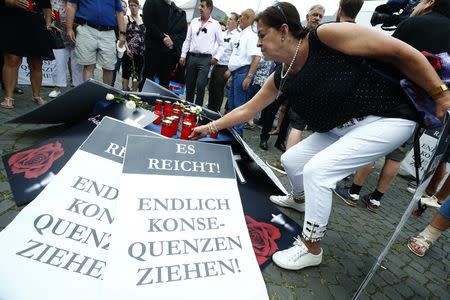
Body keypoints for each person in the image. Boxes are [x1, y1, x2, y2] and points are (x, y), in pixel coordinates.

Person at [190, 2, 450, 271]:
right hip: (340, 127)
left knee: (317, 171)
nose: (258, 44)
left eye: (262, 35)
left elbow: (398, 50)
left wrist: (440, 93)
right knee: (291, 160)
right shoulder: (283, 74)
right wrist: (210, 127)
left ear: (283, 30)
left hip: (387, 117)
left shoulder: (325, 36)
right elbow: (247, 109)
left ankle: (311, 247)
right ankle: (300, 200)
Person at [334, 0, 450, 212]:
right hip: (421, 111)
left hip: (389, 102)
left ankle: (353, 191)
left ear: (430, 3)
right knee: (396, 155)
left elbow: (382, 58)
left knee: (371, 148)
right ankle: (376, 198)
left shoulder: (414, 24)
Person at [264, 4, 325, 172]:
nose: (317, 18)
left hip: (307, 90)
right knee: (275, 107)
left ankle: (285, 153)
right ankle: (265, 137)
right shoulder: (298, 33)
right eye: (315, 14)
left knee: (296, 122)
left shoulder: (324, 36)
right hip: (286, 80)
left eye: (320, 16)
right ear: (307, 16)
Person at [66, 0, 126, 85]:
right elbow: (71, 5)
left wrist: (122, 34)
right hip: (87, 29)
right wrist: (69, 28)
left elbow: (119, 12)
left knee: (109, 67)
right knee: (88, 66)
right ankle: (89, 94)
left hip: (108, 32)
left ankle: (106, 95)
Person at [179, 0, 224, 106]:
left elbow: (222, 44)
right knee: (189, 85)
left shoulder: (216, 25)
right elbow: (187, 40)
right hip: (192, 58)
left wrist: (216, 57)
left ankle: (197, 111)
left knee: (200, 85)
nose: (199, 8)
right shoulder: (194, 21)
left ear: (209, 9)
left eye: (202, 6)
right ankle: (188, 109)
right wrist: (183, 55)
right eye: (199, 5)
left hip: (205, 60)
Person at [225, 8, 261, 136]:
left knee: (239, 107)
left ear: (247, 18)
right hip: (237, 73)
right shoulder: (242, 34)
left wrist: (249, 76)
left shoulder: (251, 36)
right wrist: (231, 72)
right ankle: (231, 134)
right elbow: (238, 56)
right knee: (232, 106)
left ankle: (237, 137)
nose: (239, 19)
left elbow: (256, 57)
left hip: (243, 73)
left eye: (241, 17)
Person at [142, 0, 187, 90]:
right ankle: (142, 102)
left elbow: (183, 33)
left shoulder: (179, 12)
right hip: (153, 50)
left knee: (164, 84)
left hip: (168, 54)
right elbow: (148, 22)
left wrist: (172, 40)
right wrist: (163, 38)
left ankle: (161, 103)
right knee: (147, 80)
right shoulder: (151, 2)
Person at [48, 0, 83, 98]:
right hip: (59, 33)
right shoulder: (53, 1)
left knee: (78, 62)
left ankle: (78, 87)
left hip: (77, 32)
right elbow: (48, 13)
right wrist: (51, 22)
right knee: (58, 61)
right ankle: (57, 87)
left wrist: (72, 25)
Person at [207, 12, 239, 113]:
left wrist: (230, 70)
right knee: (211, 87)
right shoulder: (223, 33)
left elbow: (235, 54)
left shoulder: (237, 36)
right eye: (228, 19)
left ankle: (214, 112)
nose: (228, 21)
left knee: (218, 90)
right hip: (216, 64)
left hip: (225, 67)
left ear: (236, 22)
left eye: (230, 19)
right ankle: (209, 110)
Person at [121, 0, 145, 92]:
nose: (133, 7)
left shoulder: (143, 19)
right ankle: (124, 92)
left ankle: (134, 95)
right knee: (126, 74)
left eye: (135, 5)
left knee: (137, 75)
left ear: (138, 6)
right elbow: (122, 35)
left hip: (141, 52)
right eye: (130, 5)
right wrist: (127, 49)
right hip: (129, 52)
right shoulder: (126, 18)